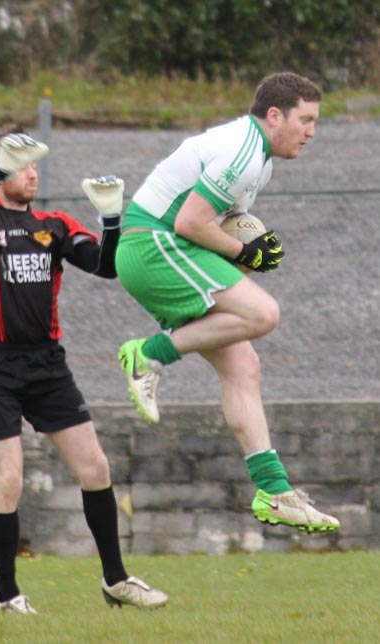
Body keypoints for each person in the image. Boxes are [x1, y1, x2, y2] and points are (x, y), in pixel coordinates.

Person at [0, 128, 167, 614]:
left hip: (47, 365)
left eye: (34, 163)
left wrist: (110, 218)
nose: (33, 171)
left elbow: (107, 267)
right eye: (22, 164)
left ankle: (116, 580)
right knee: (10, 479)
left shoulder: (54, 224)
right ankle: (7, 596)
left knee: (96, 467)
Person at [115, 72, 340, 533]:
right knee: (263, 313)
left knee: (243, 366)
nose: (312, 132)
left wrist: (243, 251)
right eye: (307, 120)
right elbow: (191, 222)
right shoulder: (243, 150)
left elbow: (214, 224)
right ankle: (148, 355)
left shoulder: (259, 157)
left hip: (163, 247)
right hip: (151, 245)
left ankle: (274, 491)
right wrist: (244, 252)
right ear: (274, 115)